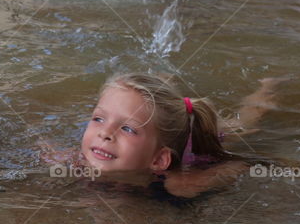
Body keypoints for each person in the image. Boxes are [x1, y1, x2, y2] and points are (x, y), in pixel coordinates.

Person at [72, 73, 281, 198]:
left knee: (243, 125)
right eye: (99, 119)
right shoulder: (77, 160)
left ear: (158, 160)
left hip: (196, 148)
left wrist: (244, 166)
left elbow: (238, 166)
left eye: (128, 129)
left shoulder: (183, 184)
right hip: (161, 134)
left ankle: (268, 89)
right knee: (154, 112)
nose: (105, 133)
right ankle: (163, 85)